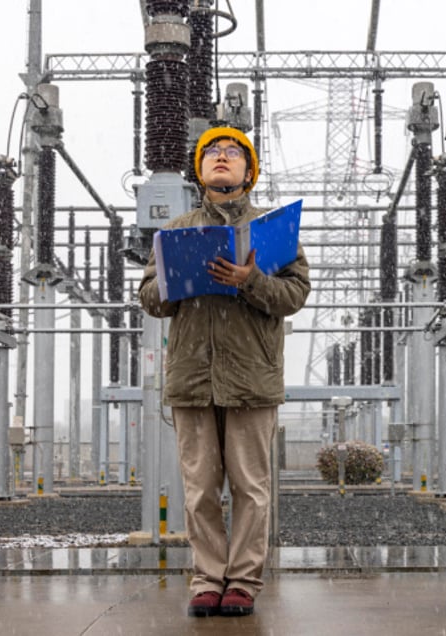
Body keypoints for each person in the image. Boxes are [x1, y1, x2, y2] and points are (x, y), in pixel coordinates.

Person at [138, 126, 310, 618]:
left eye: (233, 152)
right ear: (200, 169)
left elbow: (293, 296)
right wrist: (177, 281)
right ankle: (208, 579)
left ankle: (243, 581)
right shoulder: (175, 231)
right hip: (192, 379)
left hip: (251, 380)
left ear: (248, 171)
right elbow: (150, 298)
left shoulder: (273, 231)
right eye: (212, 151)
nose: (221, 157)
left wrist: (250, 279)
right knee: (200, 490)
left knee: (252, 488)